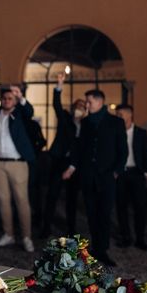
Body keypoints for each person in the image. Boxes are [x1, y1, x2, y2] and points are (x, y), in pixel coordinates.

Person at [63, 89, 127, 266]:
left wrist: (116, 171)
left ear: (100, 102)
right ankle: (95, 248)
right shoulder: (85, 123)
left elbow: (123, 150)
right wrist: (75, 168)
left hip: (107, 177)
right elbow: (80, 148)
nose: (87, 105)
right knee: (91, 214)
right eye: (87, 102)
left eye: (90, 102)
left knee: (105, 214)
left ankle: (102, 249)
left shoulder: (116, 122)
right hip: (88, 176)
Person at [0, 86, 36, 252]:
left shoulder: (21, 114)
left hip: (18, 163)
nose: (7, 101)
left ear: (14, 100)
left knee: (22, 201)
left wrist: (21, 97)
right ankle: (8, 234)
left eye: (10, 98)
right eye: (4, 98)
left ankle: (26, 237)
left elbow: (29, 111)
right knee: (3, 201)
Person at [41, 72, 85, 238]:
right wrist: (59, 85)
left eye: (83, 107)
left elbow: (81, 148)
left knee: (72, 199)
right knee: (52, 195)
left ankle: (71, 229)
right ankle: (46, 228)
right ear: (73, 108)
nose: (79, 110)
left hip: (75, 165)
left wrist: (73, 166)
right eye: (77, 106)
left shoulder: (86, 125)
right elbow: (56, 104)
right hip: (59, 161)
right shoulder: (65, 118)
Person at [115, 104, 147, 250]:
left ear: (130, 115)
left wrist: (146, 172)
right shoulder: (115, 132)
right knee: (121, 207)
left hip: (137, 173)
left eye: (120, 114)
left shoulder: (141, 133)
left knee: (140, 207)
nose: (118, 117)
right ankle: (126, 237)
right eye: (117, 114)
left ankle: (140, 239)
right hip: (121, 173)